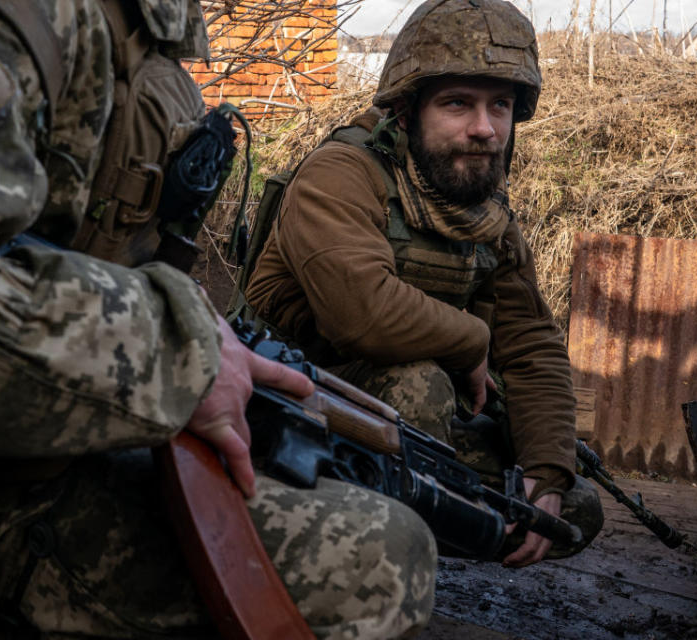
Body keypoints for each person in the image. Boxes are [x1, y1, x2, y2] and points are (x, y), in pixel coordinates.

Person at [0, 1, 437, 638]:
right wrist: (175, 353)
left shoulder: (134, 25)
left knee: (345, 465)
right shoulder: (4, 15)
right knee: (381, 557)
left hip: (50, 431)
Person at [245, 0, 603, 568]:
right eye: (458, 103)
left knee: (569, 510)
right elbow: (362, 312)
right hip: (284, 404)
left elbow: (533, 347)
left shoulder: (487, 215)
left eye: (500, 106)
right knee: (420, 384)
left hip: (404, 426)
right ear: (408, 111)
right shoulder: (341, 175)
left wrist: (546, 471)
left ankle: (403, 543)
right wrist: (471, 340)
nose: (484, 129)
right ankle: (333, 558)